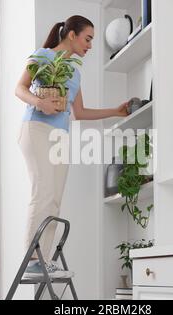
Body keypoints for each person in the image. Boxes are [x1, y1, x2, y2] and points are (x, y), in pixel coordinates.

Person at [15, 15, 129, 278]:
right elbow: (19, 89)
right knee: (42, 192)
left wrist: (115, 111)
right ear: (72, 35)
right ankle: (31, 258)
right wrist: (39, 102)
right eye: (87, 39)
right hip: (36, 129)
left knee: (54, 199)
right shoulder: (43, 56)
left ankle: (41, 257)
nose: (90, 45)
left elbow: (79, 113)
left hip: (59, 137)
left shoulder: (74, 73)